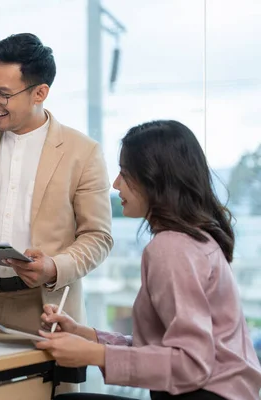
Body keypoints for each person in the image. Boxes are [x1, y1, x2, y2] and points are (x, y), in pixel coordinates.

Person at [37, 120, 261, 400]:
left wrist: (96, 355)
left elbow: (191, 364)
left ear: (154, 179)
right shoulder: (193, 239)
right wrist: (87, 335)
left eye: (124, 173)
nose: (116, 184)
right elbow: (167, 350)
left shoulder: (171, 248)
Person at [0, 32, 113, 337]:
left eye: (2, 93)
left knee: (47, 387)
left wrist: (54, 266)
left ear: (39, 93)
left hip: (47, 306)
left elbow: (98, 237)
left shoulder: (82, 152)